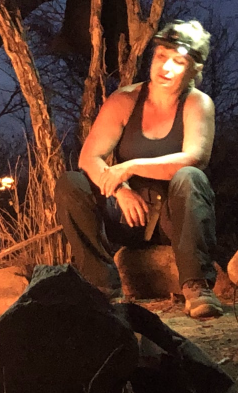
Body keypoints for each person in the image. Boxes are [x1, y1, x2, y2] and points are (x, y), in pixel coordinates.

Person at [58, 20, 226, 319]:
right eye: (161, 57)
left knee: (191, 178)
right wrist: (120, 189)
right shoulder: (124, 99)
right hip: (128, 215)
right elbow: (89, 158)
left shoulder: (197, 103)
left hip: (172, 219)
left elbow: (195, 158)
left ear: (194, 70)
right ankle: (101, 287)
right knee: (71, 182)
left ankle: (196, 285)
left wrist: (130, 166)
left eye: (179, 62)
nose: (166, 68)